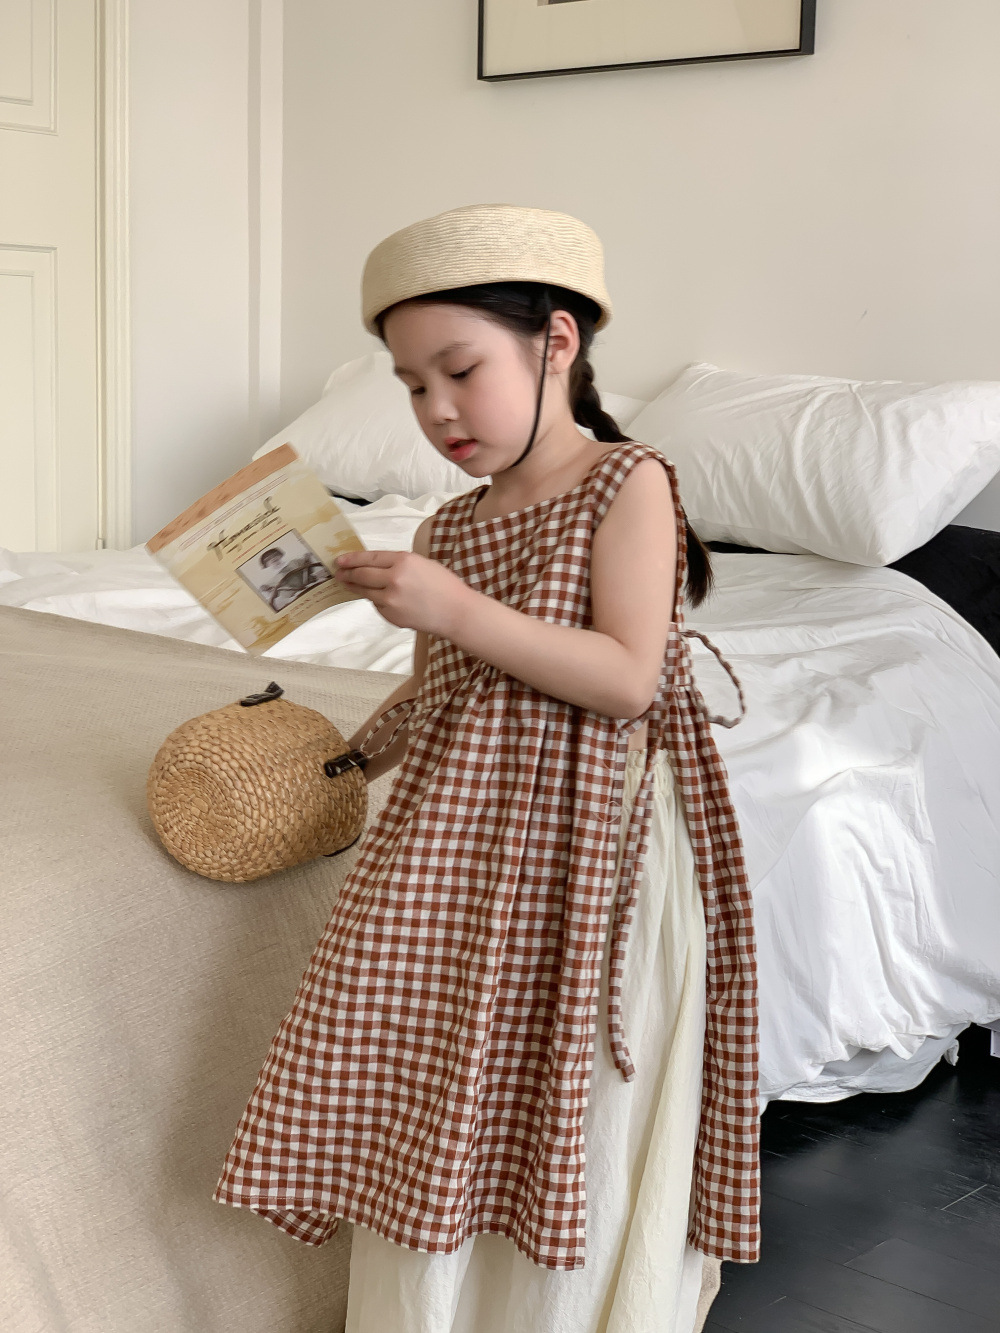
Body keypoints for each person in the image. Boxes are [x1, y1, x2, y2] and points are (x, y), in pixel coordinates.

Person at [213, 205, 759, 1333]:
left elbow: (626, 677)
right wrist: (339, 761)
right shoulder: (448, 529)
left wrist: (453, 607)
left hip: (590, 840)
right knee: (441, 1072)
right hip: (463, 843)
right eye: (413, 385)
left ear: (556, 343)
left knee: (567, 1085)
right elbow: (441, 694)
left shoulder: (627, 480)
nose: (438, 411)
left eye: (459, 371)